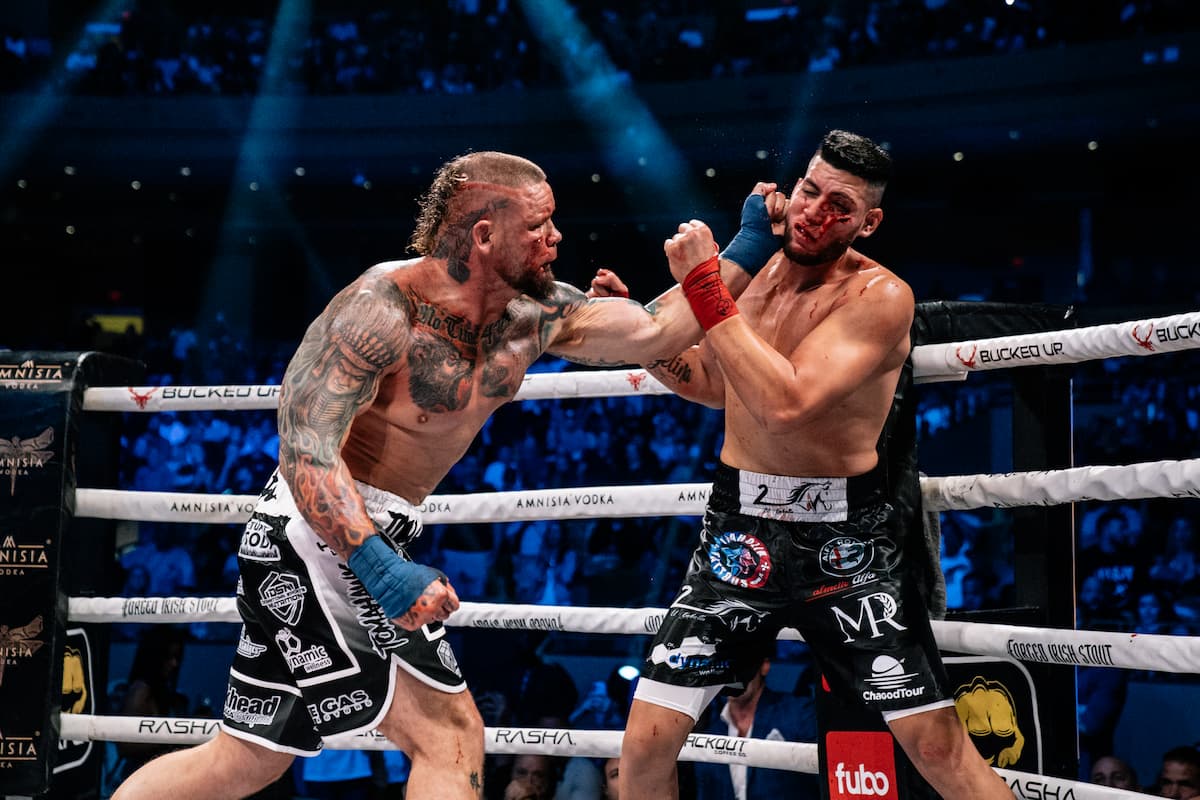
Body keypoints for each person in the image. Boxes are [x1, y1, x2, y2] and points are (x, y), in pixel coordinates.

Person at [113, 150, 775, 800]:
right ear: (485, 235)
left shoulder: (536, 313)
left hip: (359, 540)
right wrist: (377, 566)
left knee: (246, 758)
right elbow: (305, 447)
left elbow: (658, 330)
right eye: (539, 225)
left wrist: (749, 240)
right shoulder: (381, 308)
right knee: (451, 739)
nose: (556, 237)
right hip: (320, 536)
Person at [609, 130, 1015, 799]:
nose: (814, 211)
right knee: (645, 744)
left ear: (868, 222)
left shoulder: (880, 298)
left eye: (839, 205)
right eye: (808, 190)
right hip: (738, 532)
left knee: (937, 745)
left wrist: (707, 285)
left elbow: (787, 403)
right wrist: (649, 342)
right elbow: (715, 383)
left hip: (845, 544)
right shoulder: (758, 275)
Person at [691, 655, 819, 800]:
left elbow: (827, 775)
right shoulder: (709, 733)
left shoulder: (798, 712)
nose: (733, 676)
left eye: (741, 666)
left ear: (764, 666)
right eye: (725, 666)